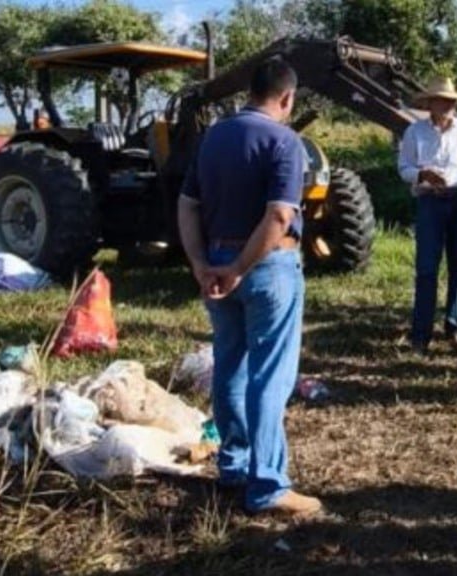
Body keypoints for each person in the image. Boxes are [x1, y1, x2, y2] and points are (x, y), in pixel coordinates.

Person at [177, 58, 321, 518]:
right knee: (270, 375)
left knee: (230, 365)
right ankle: (269, 485)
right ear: (287, 98)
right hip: (266, 266)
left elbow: (187, 204)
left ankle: (234, 466)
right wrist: (242, 265)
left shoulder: (213, 137)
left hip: (217, 262)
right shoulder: (285, 140)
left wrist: (203, 263)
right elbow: (279, 215)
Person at [397, 77, 457, 353]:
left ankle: (453, 327)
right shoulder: (414, 132)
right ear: (430, 104)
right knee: (427, 268)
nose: (449, 105)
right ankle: (421, 334)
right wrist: (422, 174)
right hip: (430, 202)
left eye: (453, 101)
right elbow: (403, 167)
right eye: (443, 100)